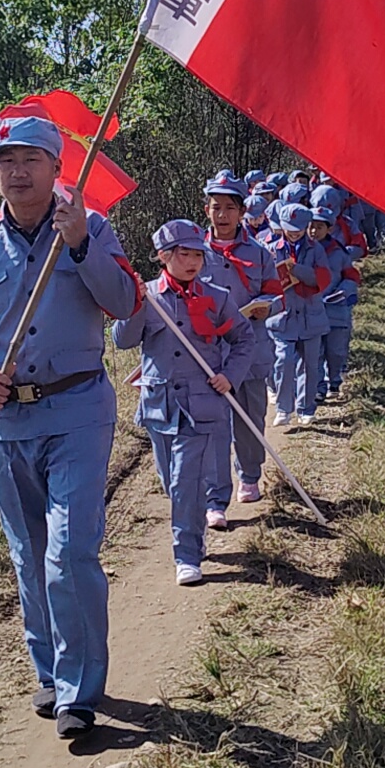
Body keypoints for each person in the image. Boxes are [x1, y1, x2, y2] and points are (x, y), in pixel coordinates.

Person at [0, 115, 144, 740]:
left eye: (30, 159)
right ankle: (50, 672)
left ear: (58, 168)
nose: (17, 171)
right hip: (4, 423)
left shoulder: (90, 229)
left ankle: (80, 689)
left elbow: (127, 303)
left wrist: (80, 244)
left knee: (68, 552)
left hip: (77, 411)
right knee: (28, 556)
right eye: (6, 160)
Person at [112, 219, 253, 586]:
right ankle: (193, 533)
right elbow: (123, 341)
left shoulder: (218, 297)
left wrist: (230, 376)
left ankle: (186, 555)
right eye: (184, 255)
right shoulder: (150, 298)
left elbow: (244, 339)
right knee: (170, 483)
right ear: (164, 257)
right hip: (160, 406)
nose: (193, 262)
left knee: (185, 480)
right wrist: (133, 302)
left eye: (197, 255)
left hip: (203, 404)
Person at [199, 172, 283, 518]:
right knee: (214, 426)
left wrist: (266, 306)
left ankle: (249, 476)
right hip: (208, 354)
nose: (223, 215)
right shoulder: (194, 251)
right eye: (216, 207)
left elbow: (277, 294)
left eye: (230, 208)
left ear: (241, 211)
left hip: (249, 348)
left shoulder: (259, 253)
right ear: (207, 210)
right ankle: (215, 498)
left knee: (249, 417)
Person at [265, 201, 330, 426]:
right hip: (283, 317)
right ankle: (284, 408)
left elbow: (322, 279)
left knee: (310, 366)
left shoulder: (316, 249)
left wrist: (296, 270)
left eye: (298, 230)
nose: (293, 234)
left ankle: (306, 407)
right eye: (288, 230)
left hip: (311, 316)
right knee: (283, 361)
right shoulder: (271, 248)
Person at [310, 205, 360, 402]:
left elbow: (351, 275)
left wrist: (343, 291)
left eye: (319, 227)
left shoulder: (338, 251)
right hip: (312, 309)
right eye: (311, 227)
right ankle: (318, 387)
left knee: (336, 351)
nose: (314, 232)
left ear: (329, 229)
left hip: (336, 309)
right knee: (315, 351)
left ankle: (335, 380)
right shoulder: (303, 250)